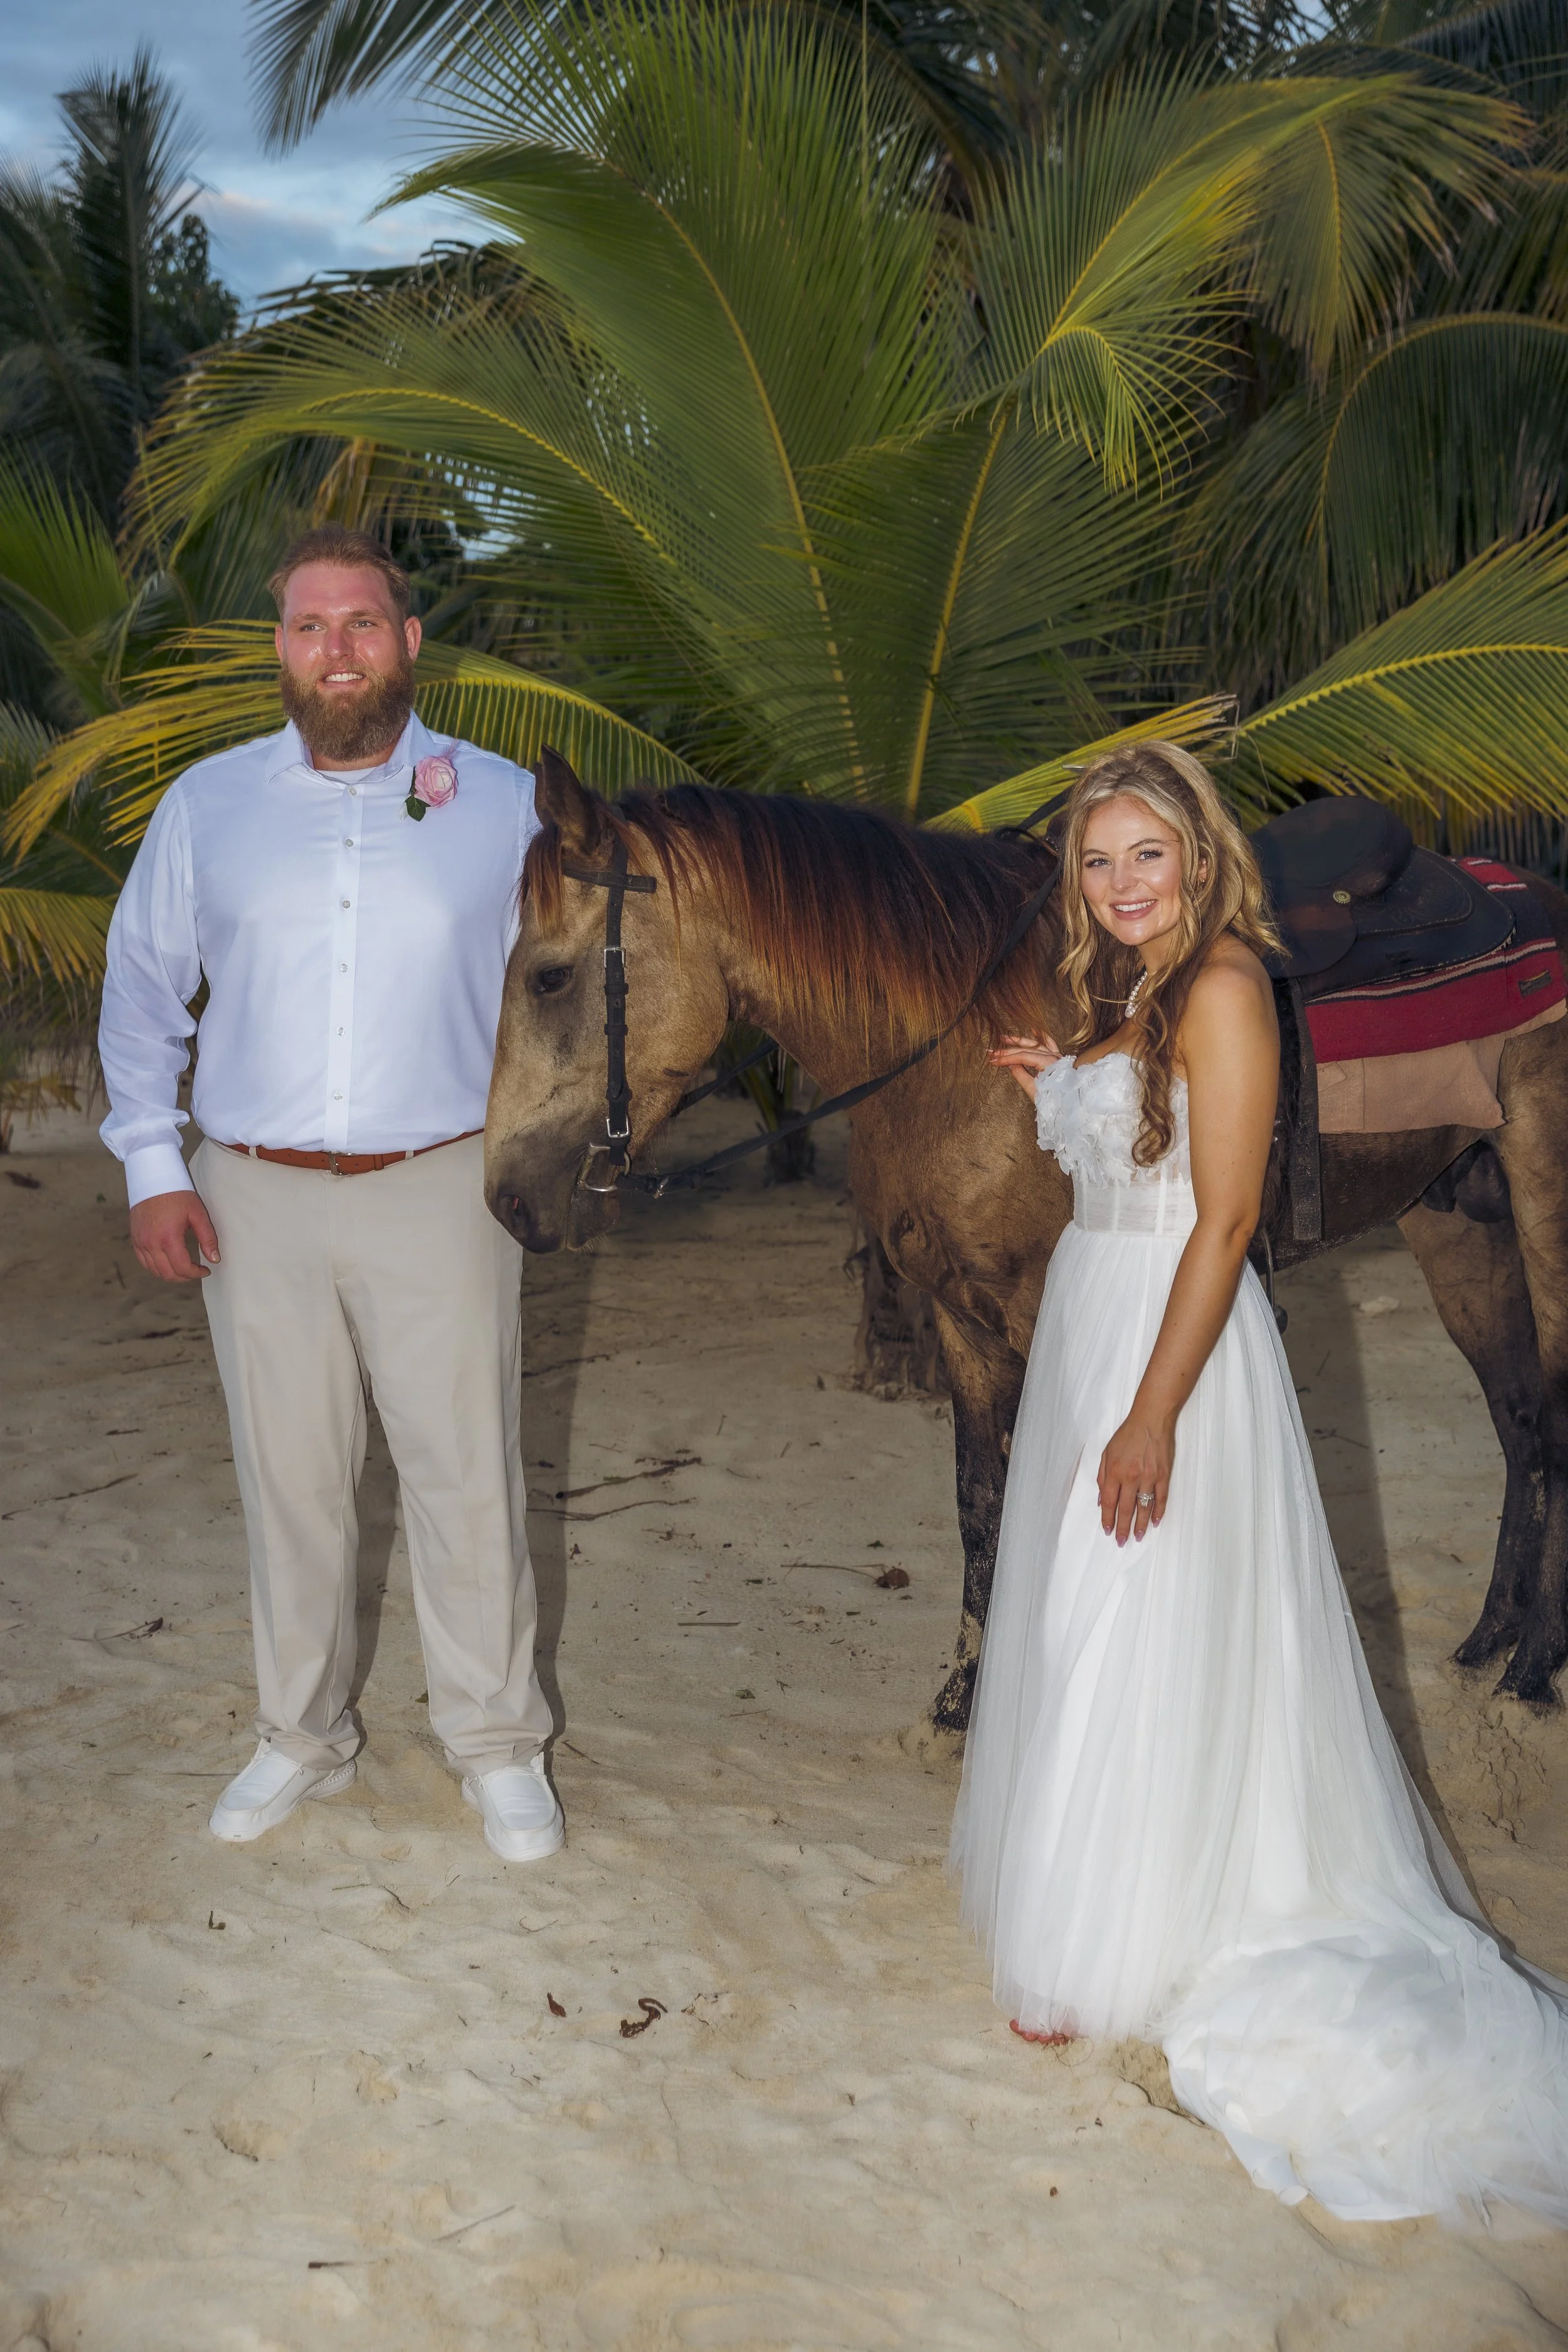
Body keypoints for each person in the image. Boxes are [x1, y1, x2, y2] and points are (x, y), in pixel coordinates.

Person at [950, 742, 1568, 2225]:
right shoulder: (1121, 990)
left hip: (1170, 1339)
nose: (1116, 886)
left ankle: (1125, 1945)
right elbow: (1122, 1163)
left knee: (1133, 1609)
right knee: (1092, 1613)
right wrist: (1060, 1086)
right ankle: (1106, 1911)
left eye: (1141, 857)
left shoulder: (1221, 986)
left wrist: (1153, 1414)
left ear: (1196, 855)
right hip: (1102, 1316)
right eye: (1094, 863)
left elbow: (1221, 1223)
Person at [98, 524, 562, 1866]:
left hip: (441, 1190)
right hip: (255, 1199)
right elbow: (140, 995)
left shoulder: (505, 804)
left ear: (409, 644)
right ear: (280, 650)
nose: (336, 650)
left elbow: (578, 988)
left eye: (362, 623)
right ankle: (301, 1734)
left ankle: (495, 1744)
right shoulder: (209, 808)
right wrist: (151, 1165)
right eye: (309, 627)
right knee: (289, 1480)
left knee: (465, 1473)